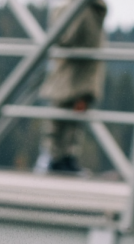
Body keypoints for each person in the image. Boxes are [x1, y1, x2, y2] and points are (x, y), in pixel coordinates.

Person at [39, 0, 107, 174]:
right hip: (79, 75)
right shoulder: (93, 11)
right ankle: (62, 159)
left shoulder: (83, 10)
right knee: (70, 123)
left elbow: (67, 38)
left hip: (72, 74)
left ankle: (56, 159)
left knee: (60, 123)